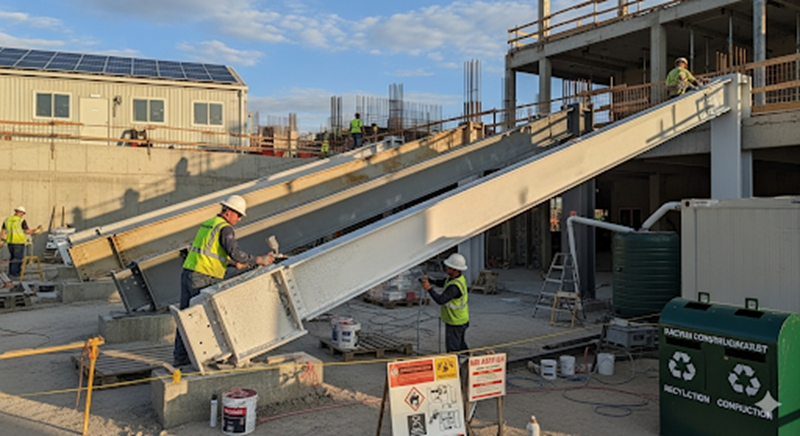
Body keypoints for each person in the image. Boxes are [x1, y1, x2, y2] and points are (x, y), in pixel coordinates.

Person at [172, 195, 275, 367]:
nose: (239, 219)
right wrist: (259, 260)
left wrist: (234, 264)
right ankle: (209, 357)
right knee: (205, 319)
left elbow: (210, 253)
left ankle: (180, 357)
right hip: (204, 277)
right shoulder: (225, 228)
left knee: (185, 317)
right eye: (239, 214)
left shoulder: (209, 224)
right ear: (229, 212)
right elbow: (235, 252)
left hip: (189, 272)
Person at [420, 253, 470, 353]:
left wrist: (429, 288)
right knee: (460, 344)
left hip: (455, 321)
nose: (446, 268)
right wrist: (431, 280)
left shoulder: (454, 287)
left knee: (453, 348)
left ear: (455, 270)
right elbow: (443, 282)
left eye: (449, 267)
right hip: (459, 319)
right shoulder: (455, 278)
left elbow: (440, 300)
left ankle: (458, 362)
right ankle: (467, 359)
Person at [0, 206, 41, 279]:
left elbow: (3, 232)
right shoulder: (21, 221)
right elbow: (26, 231)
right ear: (21, 213)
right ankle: (14, 274)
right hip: (19, 242)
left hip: (10, 242)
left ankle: (11, 273)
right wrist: (35, 230)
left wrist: (1, 241)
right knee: (17, 259)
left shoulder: (7, 220)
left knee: (12, 258)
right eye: (23, 213)